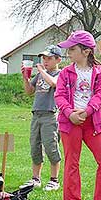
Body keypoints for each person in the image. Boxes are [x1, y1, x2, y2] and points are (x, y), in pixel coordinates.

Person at [54, 30, 101, 200]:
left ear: (86, 51)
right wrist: (69, 113)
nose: (68, 53)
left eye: (72, 49)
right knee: (72, 161)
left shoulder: (99, 72)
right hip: (70, 122)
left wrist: (88, 111)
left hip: (92, 122)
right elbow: (60, 96)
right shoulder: (65, 72)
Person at [20, 45, 62, 191]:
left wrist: (42, 71)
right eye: (44, 58)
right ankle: (35, 178)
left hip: (50, 115)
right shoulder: (39, 75)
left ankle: (54, 180)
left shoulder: (60, 74)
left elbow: (53, 84)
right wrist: (26, 78)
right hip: (36, 114)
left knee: (51, 146)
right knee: (35, 147)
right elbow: (29, 92)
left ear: (58, 59)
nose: (45, 61)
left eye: (49, 58)